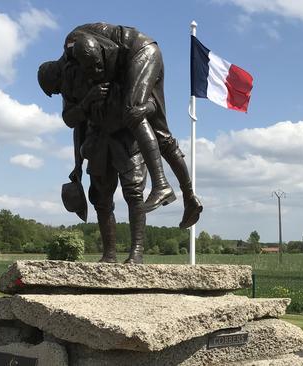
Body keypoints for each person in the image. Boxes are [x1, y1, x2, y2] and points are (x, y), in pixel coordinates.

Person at [63, 23, 203, 229]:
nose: (96, 72)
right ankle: (189, 198)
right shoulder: (79, 59)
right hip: (138, 54)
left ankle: (162, 184)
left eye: (98, 66)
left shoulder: (73, 51)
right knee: (162, 137)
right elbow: (77, 123)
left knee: (133, 111)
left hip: (143, 52)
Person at [38, 55, 149, 264]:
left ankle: (137, 252)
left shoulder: (119, 68)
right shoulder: (71, 84)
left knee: (134, 193)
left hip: (126, 140)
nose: (58, 92)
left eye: (55, 88)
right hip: (97, 143)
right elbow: (72, 121)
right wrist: (77, 163)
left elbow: (145, 100)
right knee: (101, 201)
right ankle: (109, 254)